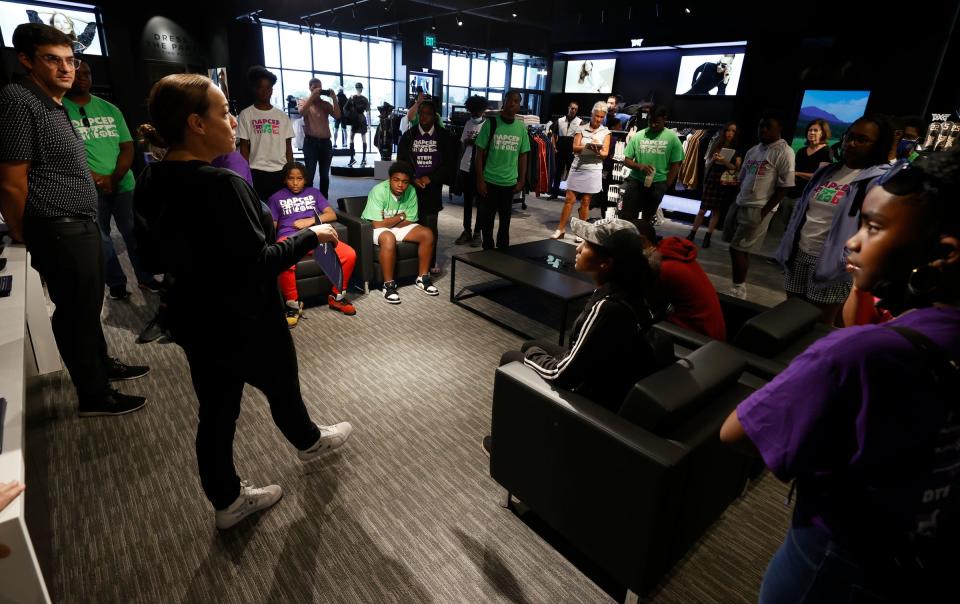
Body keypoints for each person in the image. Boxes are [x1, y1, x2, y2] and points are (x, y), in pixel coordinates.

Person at [720, 148, 960, 602]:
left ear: (943, 253)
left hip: (831, 562)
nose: (851, 241)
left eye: (873, 228)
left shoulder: (854, 356)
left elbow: (739, 434)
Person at [135, 73, 352, 530]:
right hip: (247, 316)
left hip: (195, 317)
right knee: (280, 385)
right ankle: (309, 442)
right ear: (196, 123)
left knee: (216, 412)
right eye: (223, 112)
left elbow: (150, 255)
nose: (233, 121)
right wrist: (311, 235)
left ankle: (228, 500)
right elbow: (259, 262)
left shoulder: (152, 176)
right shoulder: (221, 184)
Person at [0, 23, 149, 415]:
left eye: (70, 59)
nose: (66, 68)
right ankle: (94, 394)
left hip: (76, 221)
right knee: (76, 312)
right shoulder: (19, 100)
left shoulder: (50, 101)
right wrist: (20, 229)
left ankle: (100, 367)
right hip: (57, 224)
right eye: (53, 60)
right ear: (26, 60)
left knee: (87, 305)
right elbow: (12, 181)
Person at [482, 217, 663, 454]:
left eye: (586, 245)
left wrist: (532, 357)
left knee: (512, 358)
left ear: (605, 264)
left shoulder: (608, 308)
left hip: (593, 398)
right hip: (608, 377)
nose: (577, 248)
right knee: (530, 344)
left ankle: (505, 445)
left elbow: (562, 375)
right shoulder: (632, 291)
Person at [776, 115, 893, 325]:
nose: (851, 143)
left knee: (819, 325)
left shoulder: (877, 179)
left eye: (862, 139)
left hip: (833, 263)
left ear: (879, 145)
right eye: (849, 136)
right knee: (790, 316)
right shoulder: (827, 171)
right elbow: (803, 212)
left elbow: (876, 227)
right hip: (801, 252)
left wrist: (846, 259)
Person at [63, 61, 160, 300]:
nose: (83, 77)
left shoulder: (109, 108)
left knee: (134, 233)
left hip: (123, 184)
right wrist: (96, 178)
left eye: (87, 73)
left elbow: (127, 146)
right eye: (78, 73)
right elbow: (64, 152)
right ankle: (116, 283)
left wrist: (114, 177)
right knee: (101, 239)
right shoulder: (59, 110)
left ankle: (146, 279)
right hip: (87, 187)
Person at [268, 161, 358, 324]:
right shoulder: (276, 198)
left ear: (305, 179)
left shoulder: (314, 193)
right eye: (291, 178)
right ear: (285, 180)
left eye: (300, 178)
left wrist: (309, 221)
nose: (295, 183)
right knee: (284, 261)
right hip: (289, 238)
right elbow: (271, 226)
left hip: (315, 235)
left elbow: (332, 215)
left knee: (349, 254)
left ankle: (337, 297)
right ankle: (293, 306)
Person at [722, 115, 795, 299]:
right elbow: (743, 177)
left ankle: (739, 288)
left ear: (779, 128)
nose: (762, 130)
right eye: (761, 126)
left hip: (759, 207)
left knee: (737, 248)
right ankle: (738, 284)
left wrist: (764, 211)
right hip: (740, 203)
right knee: (738, 247)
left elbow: (785, 185)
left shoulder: (784, 151)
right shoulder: (753, 150)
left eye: (768, 126)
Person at [360, 161, 439, 303]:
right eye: (396, 180)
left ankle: (422, 278)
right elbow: (377, 223)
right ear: (390, 179)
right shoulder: (378, 191)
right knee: (389, 237)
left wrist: (392, 220)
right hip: (373, 227)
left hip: (398, 226)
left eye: (405, 182)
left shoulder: (411, 191)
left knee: (427, 234)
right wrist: (401, 216)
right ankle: (388, 285)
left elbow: (412, 219)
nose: (400, 185)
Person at [635, 220, 726, 340]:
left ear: (642, 241)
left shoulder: (663, 268)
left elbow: (646, 305)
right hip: (714, 333)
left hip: (699, 339)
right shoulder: (671, 253)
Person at [397, 99, 457, 273]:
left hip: (432, 187)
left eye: (428, 114)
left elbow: (449, 164)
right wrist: (413, 178)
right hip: (411, 187)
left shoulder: (444, 137)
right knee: (411, 223)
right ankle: (415, 261)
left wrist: (431, 178)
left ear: (434, 116)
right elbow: (402, 160)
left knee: (430, 225)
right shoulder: (408, 136)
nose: (424, 117)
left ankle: (430, 262)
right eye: (421, 113)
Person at [474, 90, 530, 250]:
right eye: (510, 100)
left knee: (505, 221)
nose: (512, 103)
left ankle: (503, 252)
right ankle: (488, 249)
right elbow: (479, 154)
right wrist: (480, 179)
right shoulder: (490, 124)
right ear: (504, 101)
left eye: (516, 101)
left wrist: (521, 180)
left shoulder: (521, 128)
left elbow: (523, 156)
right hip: (490, 181)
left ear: (519, 105)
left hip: (509, 183)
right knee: (488, 220)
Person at [551, 101, 610, 240]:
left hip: (593, 170)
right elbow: (574, 147)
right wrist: (590, 147)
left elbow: (605, 153)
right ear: (592, 114)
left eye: (602, 117)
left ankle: (582, 233)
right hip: (578, 168)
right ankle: (560, 229)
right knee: (569, 199)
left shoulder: (606, 132)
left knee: (586, 201)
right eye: (597, 116)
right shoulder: (581, 128)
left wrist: (597, 150)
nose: (599, 119)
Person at [237, 66, 293, 201]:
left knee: (280, 208)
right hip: (256, 169)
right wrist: (246, 171)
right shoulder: (246, 114)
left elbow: (288, 146)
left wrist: (290, 170)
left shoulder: (282, 116)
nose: (264, 91)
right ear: (254, 89)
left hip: (280, 169)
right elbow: (243, 146)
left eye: (268, 88)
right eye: (260, 87)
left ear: (272, 90)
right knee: (260, 207)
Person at [621, 105, 685, 222]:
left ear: (664, 119)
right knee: (627, 215)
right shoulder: (639, 135)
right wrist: (639, 166)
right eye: (650, 121)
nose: (653, 125)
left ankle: (643, 239)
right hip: (636, 181)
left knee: (647, 218)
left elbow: (676, 164)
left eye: (657, 122)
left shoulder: (672, 138)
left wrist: (666, 185)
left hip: (658, 184)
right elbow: (627, 160)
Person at [687, 122, 741, 248]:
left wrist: (724, 161)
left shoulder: (737, 148)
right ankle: (692, 233)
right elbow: (708, 163)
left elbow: (735, 168)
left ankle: (708, 237)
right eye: (728, 130)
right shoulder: (717, 143)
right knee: (702, 209)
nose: (730, 133)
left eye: (733, 131)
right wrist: (714, 159)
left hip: (724, 180)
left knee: (716, 211)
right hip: (712, 177)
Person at [779, 119, 834, 231]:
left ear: (823, 133)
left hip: (806, 195)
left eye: (815, 130)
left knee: (794, 226)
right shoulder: (801, 151)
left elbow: (820, 176)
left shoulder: (826, 151)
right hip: (791, 192)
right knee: (786, 223)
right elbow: (792, 169)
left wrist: (797, 173)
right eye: (810, 130)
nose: (812, 132)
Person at [454, 95, 488, 246]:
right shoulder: (468, 123)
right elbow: (462, 143)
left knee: (481, 202)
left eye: (478, 111)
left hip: (480, 169)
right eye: (473, 111)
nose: (475, 113)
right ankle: (466, 230)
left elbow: (487, 146)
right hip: (466, 166)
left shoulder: (487, 125)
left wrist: (475, 143)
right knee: (467, 202)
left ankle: (477, 233)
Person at [299, 78, 340, 199]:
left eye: (319, 87)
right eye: (314, 87)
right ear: (310, 88)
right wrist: (312, 96)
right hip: (310, 143)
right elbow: (301, 112)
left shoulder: (325, 104)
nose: (317, 89)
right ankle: (309, 200)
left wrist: (334, 99)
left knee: (324, 175)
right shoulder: (304, 101)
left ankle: (323, 200)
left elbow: (337, 115)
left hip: (326, 143)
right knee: (309, 174)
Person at [549, 101, 580, 200]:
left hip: (571, 151)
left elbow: (580, 137)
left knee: (572, 173)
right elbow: (554, 135)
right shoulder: (560, 120)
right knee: (558, 172)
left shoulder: (580, 122)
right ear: (568, 108)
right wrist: (554, 147)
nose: (573, 110)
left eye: (575, 109)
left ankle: (570, 195)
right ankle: (554, 193)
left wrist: (576, 149)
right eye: (572, 108)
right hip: (560, 149)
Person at [26, 9, 97, 53]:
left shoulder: (81, 42)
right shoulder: (46, 39)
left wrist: (65, 14)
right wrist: (55, 12)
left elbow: (92, 23)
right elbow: (30, 11)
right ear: (53, 26)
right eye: (57, 22)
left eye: (65, 22)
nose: (62, 25)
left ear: (71, 27)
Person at [345, 82, 370, 167]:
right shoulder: (364, 99)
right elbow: (368, 112)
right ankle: (360, 159)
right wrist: (369, 124)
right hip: (360, 119)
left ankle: (355, 159)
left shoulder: (353, 98)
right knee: (361, 139)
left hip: (356, 119)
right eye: (360, 88)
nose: (360, 89)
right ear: (361, 88)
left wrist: (349, 116)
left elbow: (345, 108)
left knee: (353, 138)